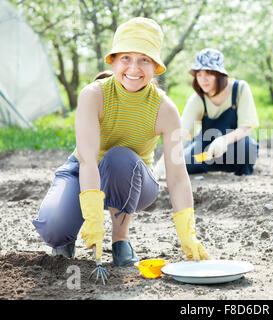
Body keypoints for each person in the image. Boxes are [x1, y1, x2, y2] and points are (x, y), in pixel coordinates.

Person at [32, 17, 210, 267]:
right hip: (85, 168)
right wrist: (93, 217)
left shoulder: (165, 109)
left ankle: (120, 240)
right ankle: (66, 234)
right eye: (126, 58)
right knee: (53, 229)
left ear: (156, 66)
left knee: (119, 157)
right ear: (113, 60)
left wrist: (187, 233)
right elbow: (87, 158)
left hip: (133, 178)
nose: (134, 69)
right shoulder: (94, 95)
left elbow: (178, 176)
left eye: (144, 59)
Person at [154, 48, 259, 179]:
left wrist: (224, 140)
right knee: (180, 162)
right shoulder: (197, 99)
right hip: (206, 153)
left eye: (209, 73)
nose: (203, 79)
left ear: (219, 75)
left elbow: (245, 128)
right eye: (199, 74)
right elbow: (181, 133)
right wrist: (164, 163)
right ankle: (203, 164)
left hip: (234, 147)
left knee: (247, 147)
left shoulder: (240, 89)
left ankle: (240, 172)